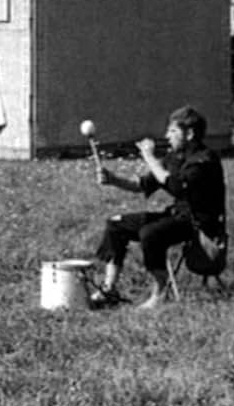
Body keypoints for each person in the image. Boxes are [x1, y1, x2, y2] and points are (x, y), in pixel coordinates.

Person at [92, 105, 225, 309]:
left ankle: (159, 293)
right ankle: (109, 288)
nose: (166, 135)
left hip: (199, 223)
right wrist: (113, 179)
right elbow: (144, 184)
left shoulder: (205, 160)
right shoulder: (174, 157)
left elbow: (176, 186)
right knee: (116, 224)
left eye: (172, 131)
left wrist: (148, 156)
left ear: (189, 134)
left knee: (150, 233)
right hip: (177, 215)